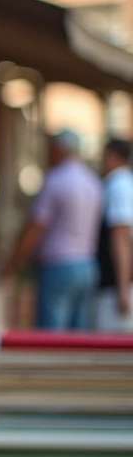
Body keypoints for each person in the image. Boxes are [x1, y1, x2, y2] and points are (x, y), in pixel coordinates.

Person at [3, 129, 103, 330]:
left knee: (51, 337)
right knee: (79, 335)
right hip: (87, 265)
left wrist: (13, 263)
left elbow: (35, 227)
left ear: (59, 149)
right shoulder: (92, 182)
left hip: (58, 266)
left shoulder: (55, 180)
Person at [96, 138, 133, 331]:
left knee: (112, 342)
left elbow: (121, 237)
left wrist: (122, 288)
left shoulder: (119, 185)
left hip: (114, 284)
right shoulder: (122, 183)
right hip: (115, 282)